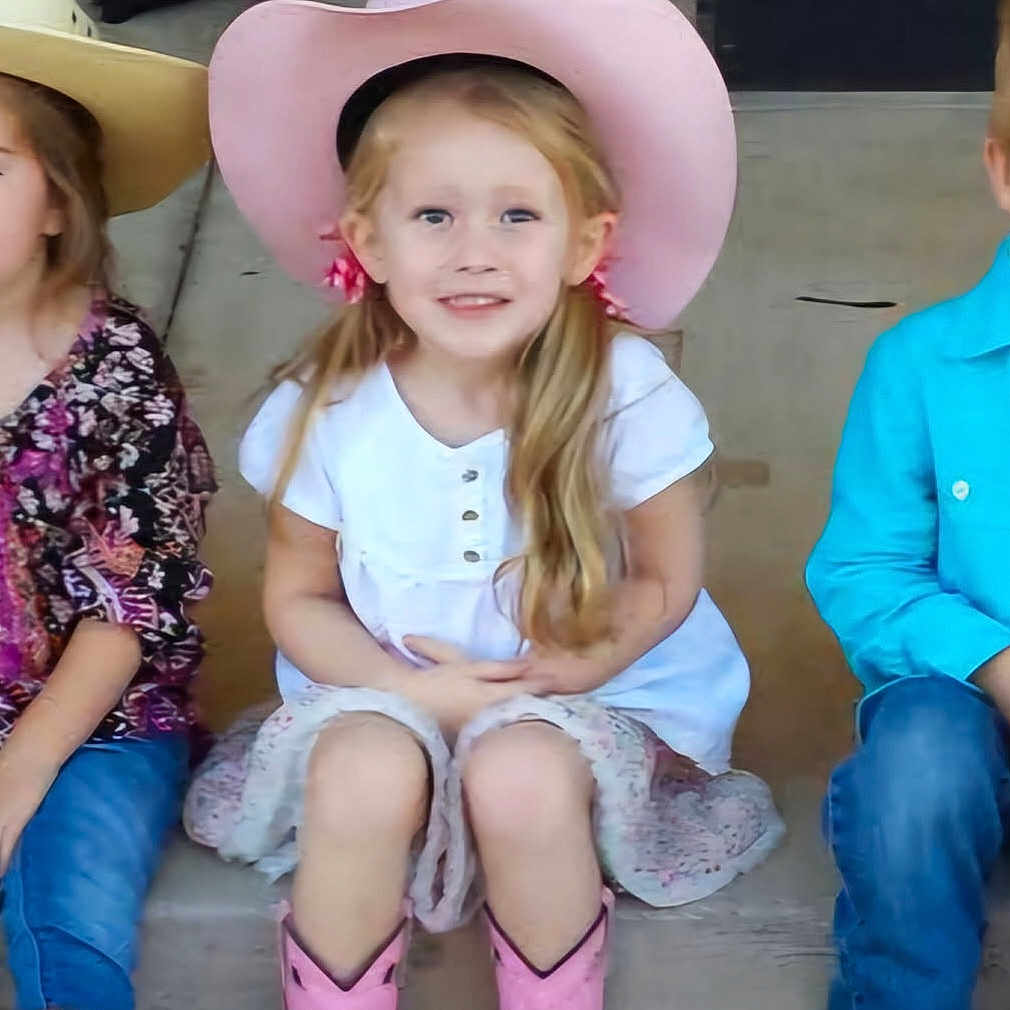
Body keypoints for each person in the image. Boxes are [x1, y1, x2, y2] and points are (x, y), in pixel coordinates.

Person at [185, 1, 784, 1007]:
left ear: (585, 240)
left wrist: (571, 668)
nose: (475, 250)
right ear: (365, 240)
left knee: (518, 774)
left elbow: (667, 576)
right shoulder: (325, 408)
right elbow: (298, 596)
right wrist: (408, 689)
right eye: (433, 216)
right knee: (361, 772)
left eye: (516, 214)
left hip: (588, 692)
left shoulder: (622, 390)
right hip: (385, 685)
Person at [0, 3, 215, 1008]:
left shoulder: (114, 364)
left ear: (57, 197)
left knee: (67, 912)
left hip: (95, 720)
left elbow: (132, 594)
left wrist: (21, 768)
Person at [806, 5, 1010, 1007]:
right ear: (1002, 171)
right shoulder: (920, 364)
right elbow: (861, 570)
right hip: (967, 702)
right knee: (916, 762)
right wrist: (996, 661)